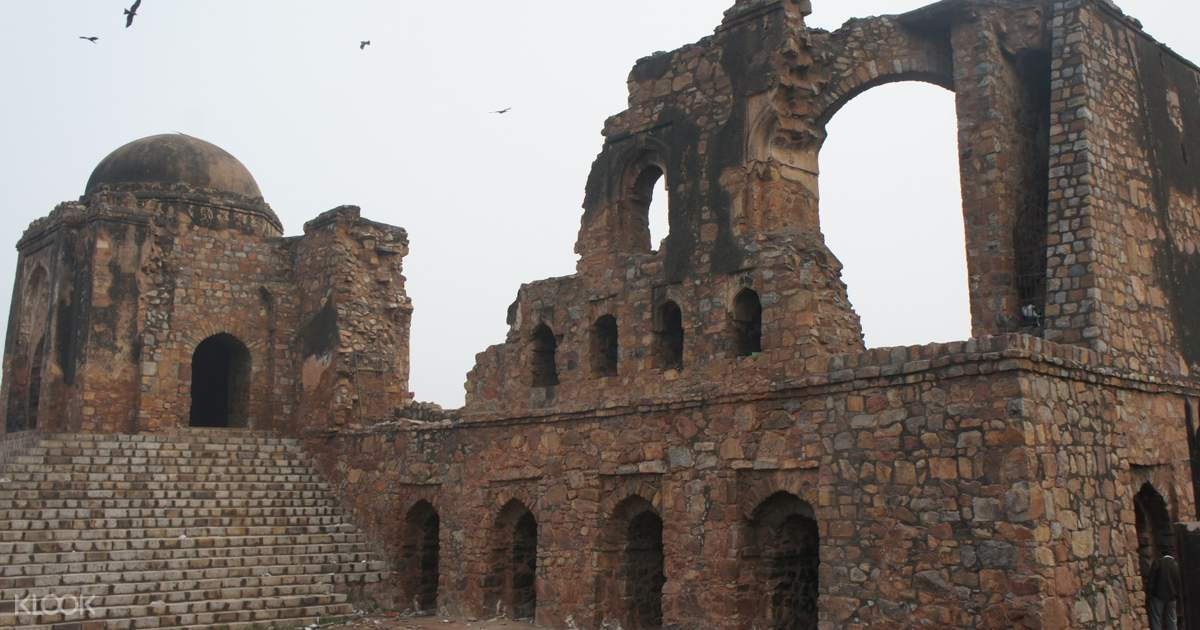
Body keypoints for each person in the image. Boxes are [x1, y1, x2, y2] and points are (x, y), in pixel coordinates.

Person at [1148, 551, 1182, 630]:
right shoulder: (1176, 565)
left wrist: (1149, 595)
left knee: (1156, 619)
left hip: (1158, 596)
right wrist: (1177, 596)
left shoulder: (1158, 562)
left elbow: (1151, 580)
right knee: (1172, 620)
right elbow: (1178, 583)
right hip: (1172, 597)